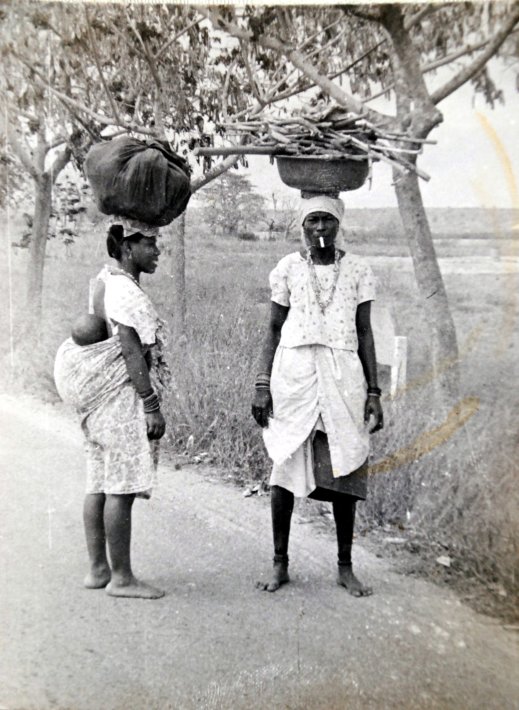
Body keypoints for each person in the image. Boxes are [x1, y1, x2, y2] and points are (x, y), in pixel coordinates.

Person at [252, 194, 383, 596]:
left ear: (339, 224)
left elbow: (365, 332)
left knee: (345, 467)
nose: (320, 228)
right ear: (302, 226)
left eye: (327, 220)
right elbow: (273, 329)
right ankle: (279, 563)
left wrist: (374, 391)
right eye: (312, 221)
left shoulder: (358, 269)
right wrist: (261, 384)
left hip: (344, 380)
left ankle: (345, 567)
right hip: (294, 379)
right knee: (285, 468)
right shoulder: (288, 268)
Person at [54, 219, 169, 599]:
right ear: (127, 248)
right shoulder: (125, 291)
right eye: (149, 243)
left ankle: (98, 569)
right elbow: (132, 352)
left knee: (98, 484)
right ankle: (122, 578)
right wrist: (150, 404)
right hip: (117, 400)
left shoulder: (104, 280)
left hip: (96, 403)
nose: (157, 251)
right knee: (120, 488)